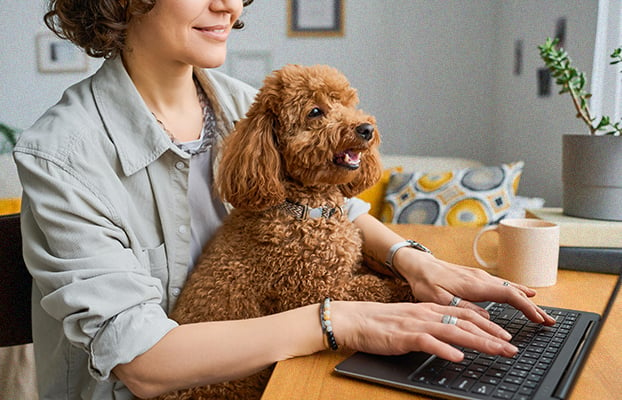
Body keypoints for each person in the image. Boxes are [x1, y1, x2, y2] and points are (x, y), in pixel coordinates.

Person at [13, 1, 556, 399]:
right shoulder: (61, 156)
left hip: (279, 374)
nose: (228, 5)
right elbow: (144, 363)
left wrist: (414, 260)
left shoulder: (241, 102)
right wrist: (338, 320)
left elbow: (328, 206)